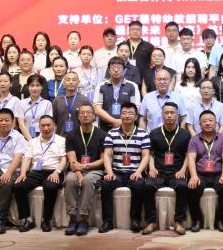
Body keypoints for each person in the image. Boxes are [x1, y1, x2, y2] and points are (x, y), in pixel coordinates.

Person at [100, 101, 151, 233]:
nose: (127, 116)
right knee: (106, 185)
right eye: (124, 113)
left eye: (130, 113)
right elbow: (107, 155)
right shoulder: (111, 133)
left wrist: (139, 172)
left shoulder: (143, 134)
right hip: (117, 172)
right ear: (120, 115)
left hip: (135, 172)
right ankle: (107, 221)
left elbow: (146, 156)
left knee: (139, 186)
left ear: (136, 116)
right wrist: (109, 172)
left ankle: (135, 220)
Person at [142, 102, 192, 235]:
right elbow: (150, 154)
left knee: (182, 187)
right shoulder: (154, 133)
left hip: (177, 172)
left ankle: (179, 222)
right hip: (158, 171)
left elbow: (188, 156)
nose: (169, 116)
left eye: (172, 113)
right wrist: (151, 167)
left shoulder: (185, 134)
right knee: (147, 186)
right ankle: (151, 221)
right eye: (166, 113)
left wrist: (183, 170)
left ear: (178, 115)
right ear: (162, 115)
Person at [13, 115, 67, 233]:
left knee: (50, 186)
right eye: (43, 126)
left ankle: (46, 220)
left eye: (48, 125)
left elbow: (64, 159)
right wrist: (23, 173)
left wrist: (57, 172)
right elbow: (27, 158)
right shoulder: (32, 142)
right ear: (39, 127)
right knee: (18, 186)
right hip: (36, 172)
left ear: (54, 126)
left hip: (53, 171)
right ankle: (27, 219)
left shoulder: (61, 140)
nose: (46, 128)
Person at [185, 110, 223, 233]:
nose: (207, 123)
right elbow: (191, 158)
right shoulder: (194, 139)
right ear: (199, 124)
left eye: (211, 120)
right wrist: (194, 176)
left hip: (218, 174)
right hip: (200, 174)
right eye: (204, 121)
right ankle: (197, 220)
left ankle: (220, 220)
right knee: (191, 188)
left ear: (216, 123)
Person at [63, 104, 107, 236]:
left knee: (88, 180)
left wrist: (85, 167)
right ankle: (72, 219)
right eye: (82, 113)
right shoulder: (71, 135)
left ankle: (83, 219)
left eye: (88, 113)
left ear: (94, 116)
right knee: (70, 180)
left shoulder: (102, 134)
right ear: (78, 116)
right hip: (76, 170)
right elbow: (72, 161)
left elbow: (103, 160)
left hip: (95, 170)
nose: (85, 115)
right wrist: (79, 175)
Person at [92, 57, 140, 131]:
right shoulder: (101, 86)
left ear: (124, 70)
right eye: (113, 68)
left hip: (127, 126)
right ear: (108, 70)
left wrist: (122, 121)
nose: (116, 70)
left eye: (119, 68)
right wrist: (114, 121)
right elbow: (97, 109)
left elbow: (136, 107)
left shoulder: (132, 86)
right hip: (105, 127)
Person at [19, 74, 53, 139]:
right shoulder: (21, 103)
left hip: (42, 136)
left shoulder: (47, 103)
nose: (35, 88)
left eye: (38, 85)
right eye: (32, 85)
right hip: (25, 136)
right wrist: (31, 141)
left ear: (42, 87)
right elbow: (21, 124)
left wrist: (39, 141)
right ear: (28, 87)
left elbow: (48, 123)